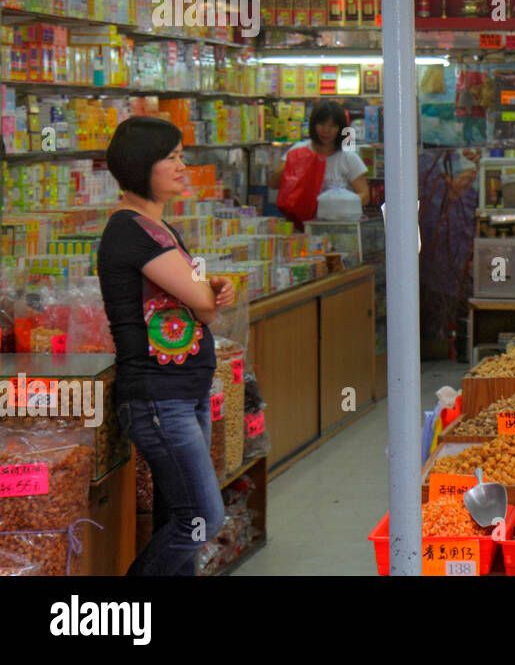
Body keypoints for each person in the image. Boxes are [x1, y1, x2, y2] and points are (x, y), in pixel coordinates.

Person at [98, 115, 235, 575]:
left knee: (177, 517)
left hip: (182, 391)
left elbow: (205, 305)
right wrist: (207, 296)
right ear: (142, 167)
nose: (182, 167)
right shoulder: (132, 230)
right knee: (201, 518)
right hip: (160, 398)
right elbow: (200, 300)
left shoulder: (161, 230)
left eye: (181, 156)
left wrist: (209, 296)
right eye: (171, 158)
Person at [269, 99, 370, 210]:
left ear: (340, 129)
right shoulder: (299, 150)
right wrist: (292, 162)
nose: (326, 130)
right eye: (321, 124)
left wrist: (338, 206)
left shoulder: (348, 158)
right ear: (313, 125)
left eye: (332, 126)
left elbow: (364, 196)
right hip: (302, 223)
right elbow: (274, 184)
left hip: (338, 223)